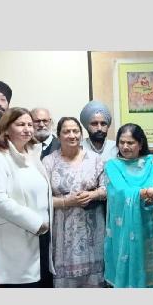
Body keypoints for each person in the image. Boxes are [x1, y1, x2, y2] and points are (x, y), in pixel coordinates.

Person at [0, 107, 53, 287]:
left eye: (29, 124)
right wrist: (35, 222)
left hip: (41, 234)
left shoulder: (32, 154)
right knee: (21, 287)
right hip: (15, 235)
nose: (27, 129)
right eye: (21, 124)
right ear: (6, 129)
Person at [43, 117, 106, 288]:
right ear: (58, 136)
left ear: (81, 134)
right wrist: (66, 202)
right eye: (66, 131)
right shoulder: (48, 161)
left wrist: (93, 195)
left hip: (93, 226)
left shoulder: (95, 159)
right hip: (62, 230)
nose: (72, 135)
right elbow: (41, 200)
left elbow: (107, 189)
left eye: (75, 131)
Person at [104, 123, 153, 287]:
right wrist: (148, 192)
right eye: (121, 142)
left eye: (130, 143)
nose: (125, 147)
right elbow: (121, 191)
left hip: (151, 228)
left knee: (151, 273)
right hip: (124, 228)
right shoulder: (112, 165)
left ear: (140, 144)